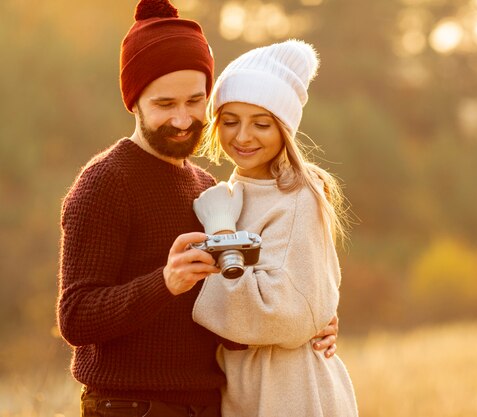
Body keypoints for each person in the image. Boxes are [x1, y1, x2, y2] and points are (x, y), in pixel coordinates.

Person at [56, 1, 337, 416]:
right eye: (165, 104)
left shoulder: (209, 190)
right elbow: (76, 318)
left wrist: (310, 322)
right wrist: (164, 282)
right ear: (134, 101)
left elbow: (228, 307)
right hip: (130, 407)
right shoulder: (106, 181)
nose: (184, 118)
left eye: (195, 101)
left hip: (210, 405)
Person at [191, 40, 359, 417]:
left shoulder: (298, 196)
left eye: (261, 124)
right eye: (230, 121)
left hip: (290, 391)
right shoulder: (228, 193)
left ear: (284, 128)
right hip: (243, 389)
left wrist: (219, 236)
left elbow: (284, 316)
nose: (243, 137)